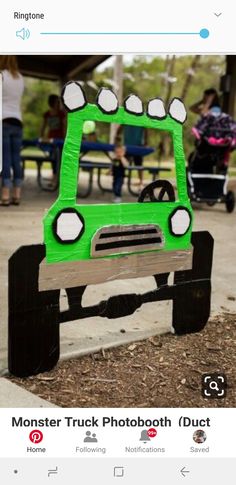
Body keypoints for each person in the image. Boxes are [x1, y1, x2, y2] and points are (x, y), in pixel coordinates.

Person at [0, 55, 24, 206]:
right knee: (16, 158)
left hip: (3, 120)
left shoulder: (2, 75)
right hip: (17, 121)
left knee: (5, 158)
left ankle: (5, 195)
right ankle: (17, 194)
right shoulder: (20, 78)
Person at [40, 94, 66, 186]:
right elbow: (43, 127)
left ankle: (59, 179)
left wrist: (65, 138)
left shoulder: (61, 114)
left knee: (61, 160)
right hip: (51, 139)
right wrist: (41, 137)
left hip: (60, 140)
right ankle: (55, 177)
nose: (58, 103)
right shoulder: (47, 114)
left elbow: (64, 126)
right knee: (54, 159)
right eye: (57, 102)